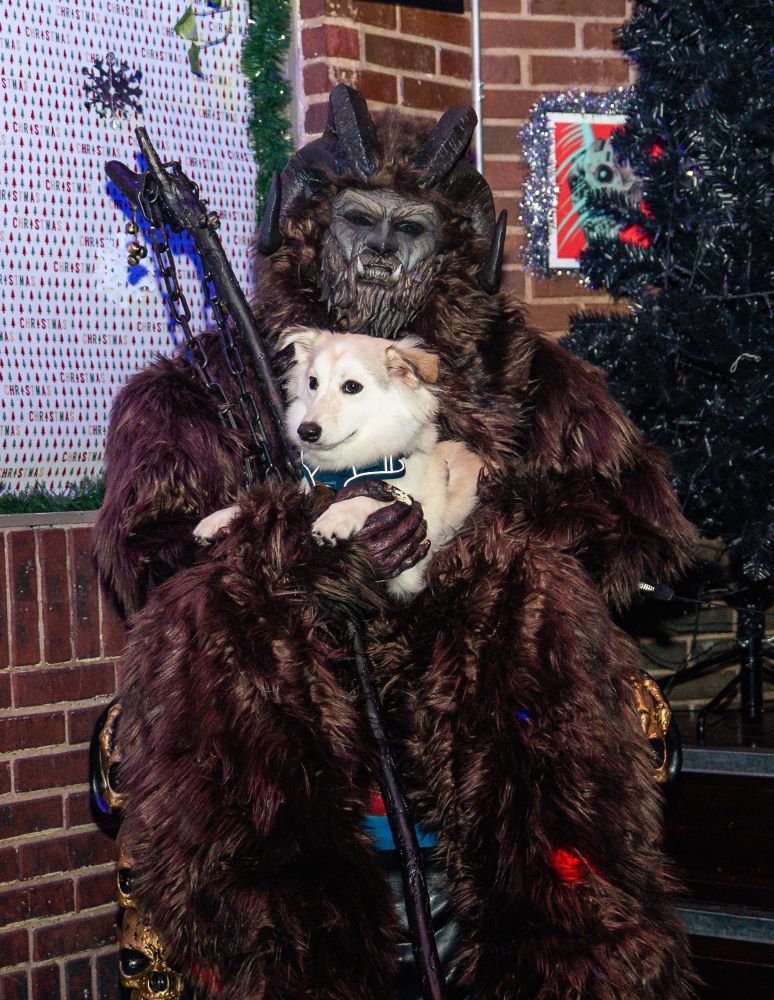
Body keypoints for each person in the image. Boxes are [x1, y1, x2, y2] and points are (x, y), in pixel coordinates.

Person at [95, 85, 696, 1000]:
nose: (379, 248)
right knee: (218, 625)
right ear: (307, 231)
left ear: (453, 250)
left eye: (407, 230)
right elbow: (151, 549)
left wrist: (465, 536)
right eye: (359, 222)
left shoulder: (520, 375)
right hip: (292, 691)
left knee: (527, 593)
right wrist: (305, 556)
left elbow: (636, 527)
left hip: (480, 687)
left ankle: (559, 957)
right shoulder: (215, 381)